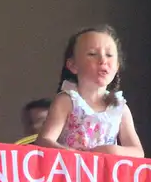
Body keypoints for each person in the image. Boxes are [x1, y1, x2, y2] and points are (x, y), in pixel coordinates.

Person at [36, 26, 144, 156]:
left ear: (117, 67)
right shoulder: (67, 101)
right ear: (73, 65)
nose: (103, 60)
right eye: (92, 54)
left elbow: (138, 152)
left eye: (109, 55)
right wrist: (72, 154)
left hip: (105, 175)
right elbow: (44, 141)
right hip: (70, 173)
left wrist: (112, 150)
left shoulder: (119, 108)